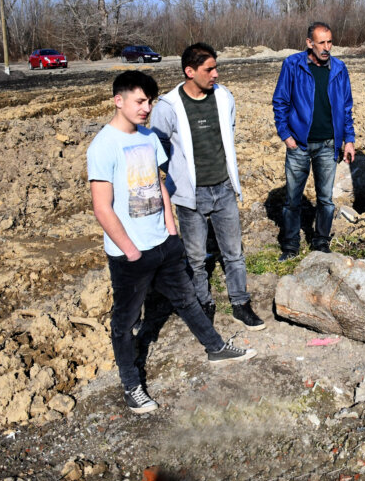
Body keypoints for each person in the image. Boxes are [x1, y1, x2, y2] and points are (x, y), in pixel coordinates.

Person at [87, 70, 255, 415]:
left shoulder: (148, 137)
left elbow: (159, 185)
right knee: (125, 320)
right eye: (139, 101)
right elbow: (102, 206)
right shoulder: (103, 145)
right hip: (129, 254)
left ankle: (215, 347)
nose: (146, 108)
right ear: (118, 101)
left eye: (149, 101)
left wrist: (171, 230)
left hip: (163, 243)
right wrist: (130, 249)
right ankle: (131, 386)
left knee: (187, 299)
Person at [149, 43, 265, 330]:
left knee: (234, 253)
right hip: (191, 195)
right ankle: (204, 304)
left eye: (216, 68)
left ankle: (240, 303)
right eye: (208, 69)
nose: (216, 74)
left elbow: (230, 130)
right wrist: (171, 178)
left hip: (224, 188)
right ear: (190, 71)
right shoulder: (168, 107)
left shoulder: (223, 97)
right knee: (197, 258)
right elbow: (158, 147)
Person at [272, 22, 356, 260]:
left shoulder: (339, 68)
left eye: (330, 42)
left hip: (329, 144)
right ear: (309, 43)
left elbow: (346, 108)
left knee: (325, 200)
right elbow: (280, 101)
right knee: (292, 200)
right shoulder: (293, 65)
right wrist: (286, 135)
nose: (327, 47)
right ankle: (290, 247)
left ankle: (320, 244)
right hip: (299, 144)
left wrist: (348, 140)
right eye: (321, 43)